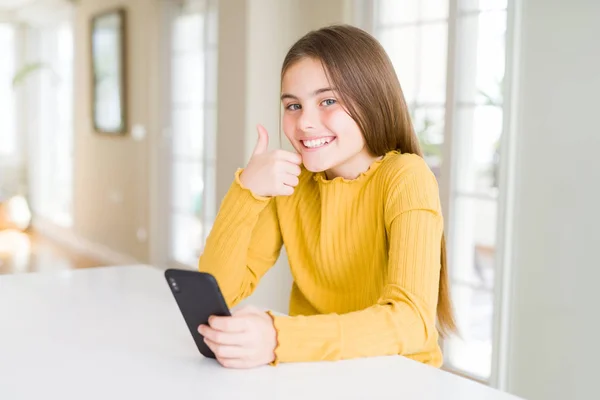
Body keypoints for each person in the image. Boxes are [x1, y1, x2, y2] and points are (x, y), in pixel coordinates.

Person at [197, 24, 456, 369]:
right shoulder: (292, 182)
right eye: (293, 105)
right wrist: (247, 191)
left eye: (328, 101)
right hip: (314, 373)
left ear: (371, 100)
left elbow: (412, 320)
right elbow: (220, 291)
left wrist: (278, 338)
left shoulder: (406, 177)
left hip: (399, 377)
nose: (305, 122)